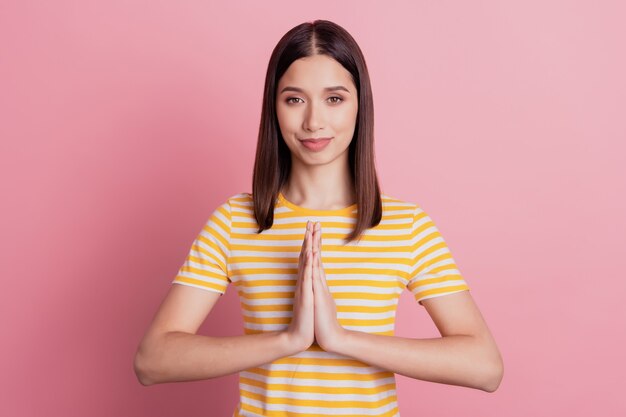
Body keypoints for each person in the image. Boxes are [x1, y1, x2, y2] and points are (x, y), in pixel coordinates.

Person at [134, 19, 503, 416]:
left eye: (334, 98)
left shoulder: (405, 226)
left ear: (360, 104)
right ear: (273, 107)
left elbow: (485, 367)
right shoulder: (235, 221)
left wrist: (340, 338)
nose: (313, 121)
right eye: (294, 99)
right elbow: (152, 360)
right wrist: (289, 339)